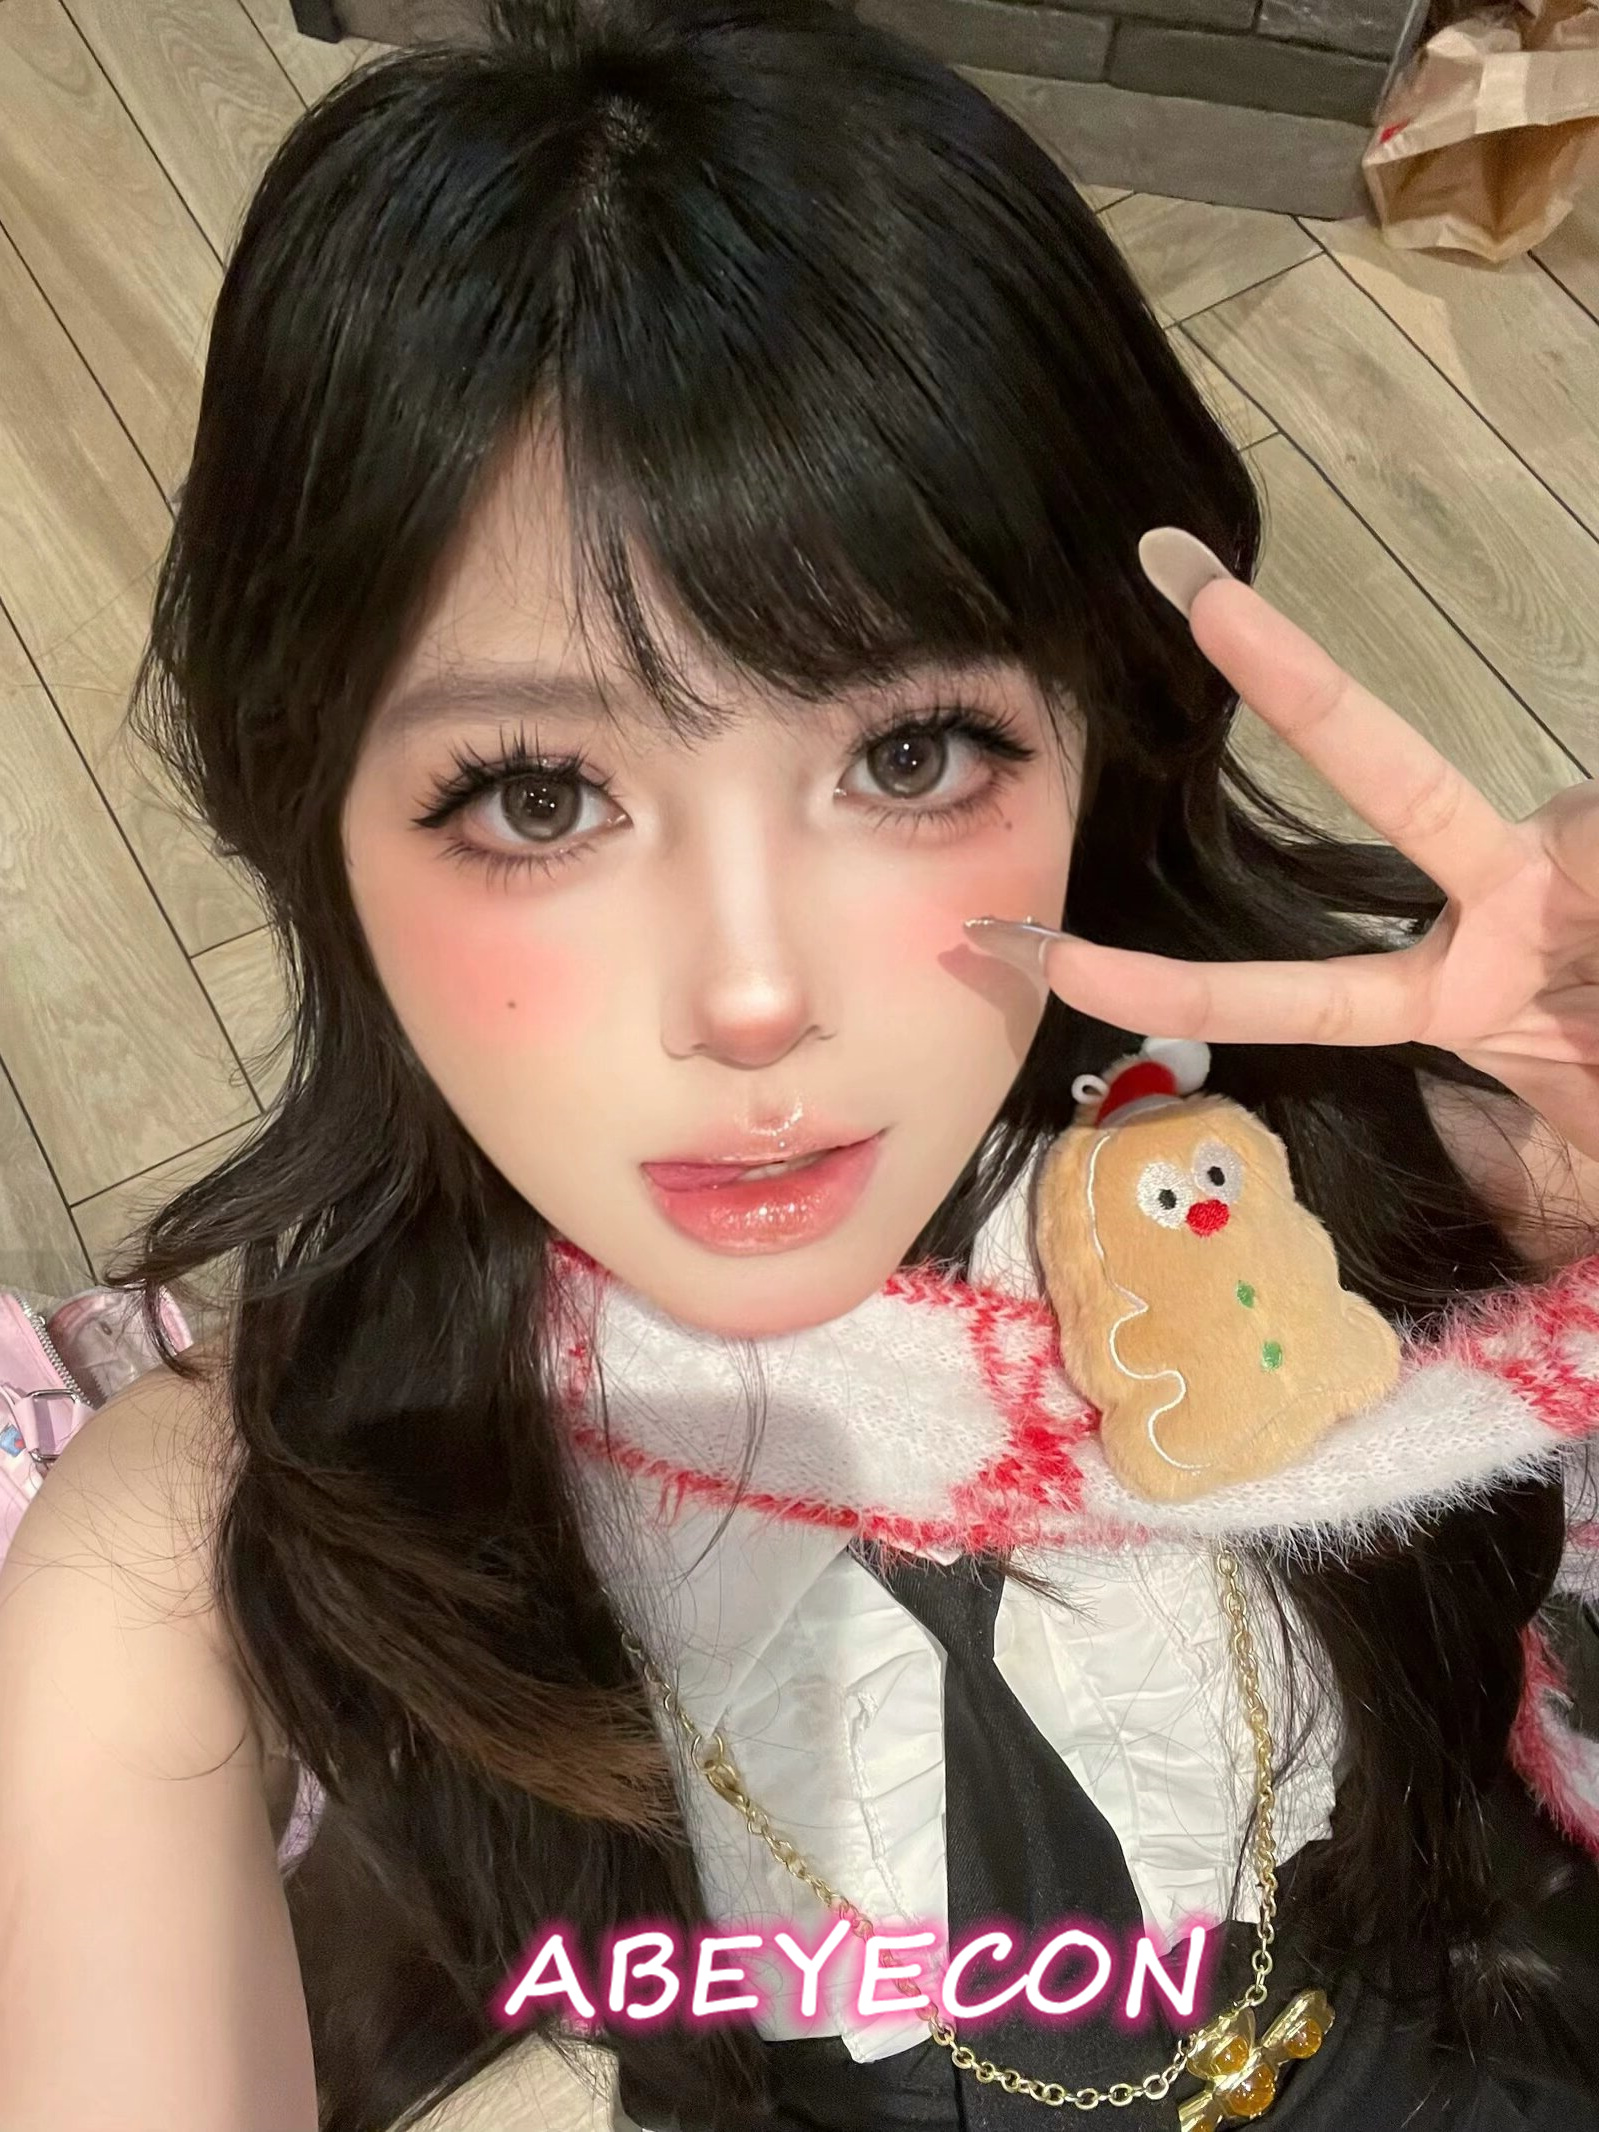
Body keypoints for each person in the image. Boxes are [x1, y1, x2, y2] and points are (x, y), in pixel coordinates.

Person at [4, 1, 1599, 2127]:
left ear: (1091, 739)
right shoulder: (211, 1536)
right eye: (539, 797)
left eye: (911, 755)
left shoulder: (1343, 1187)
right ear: (318, 818)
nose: (753, 996)